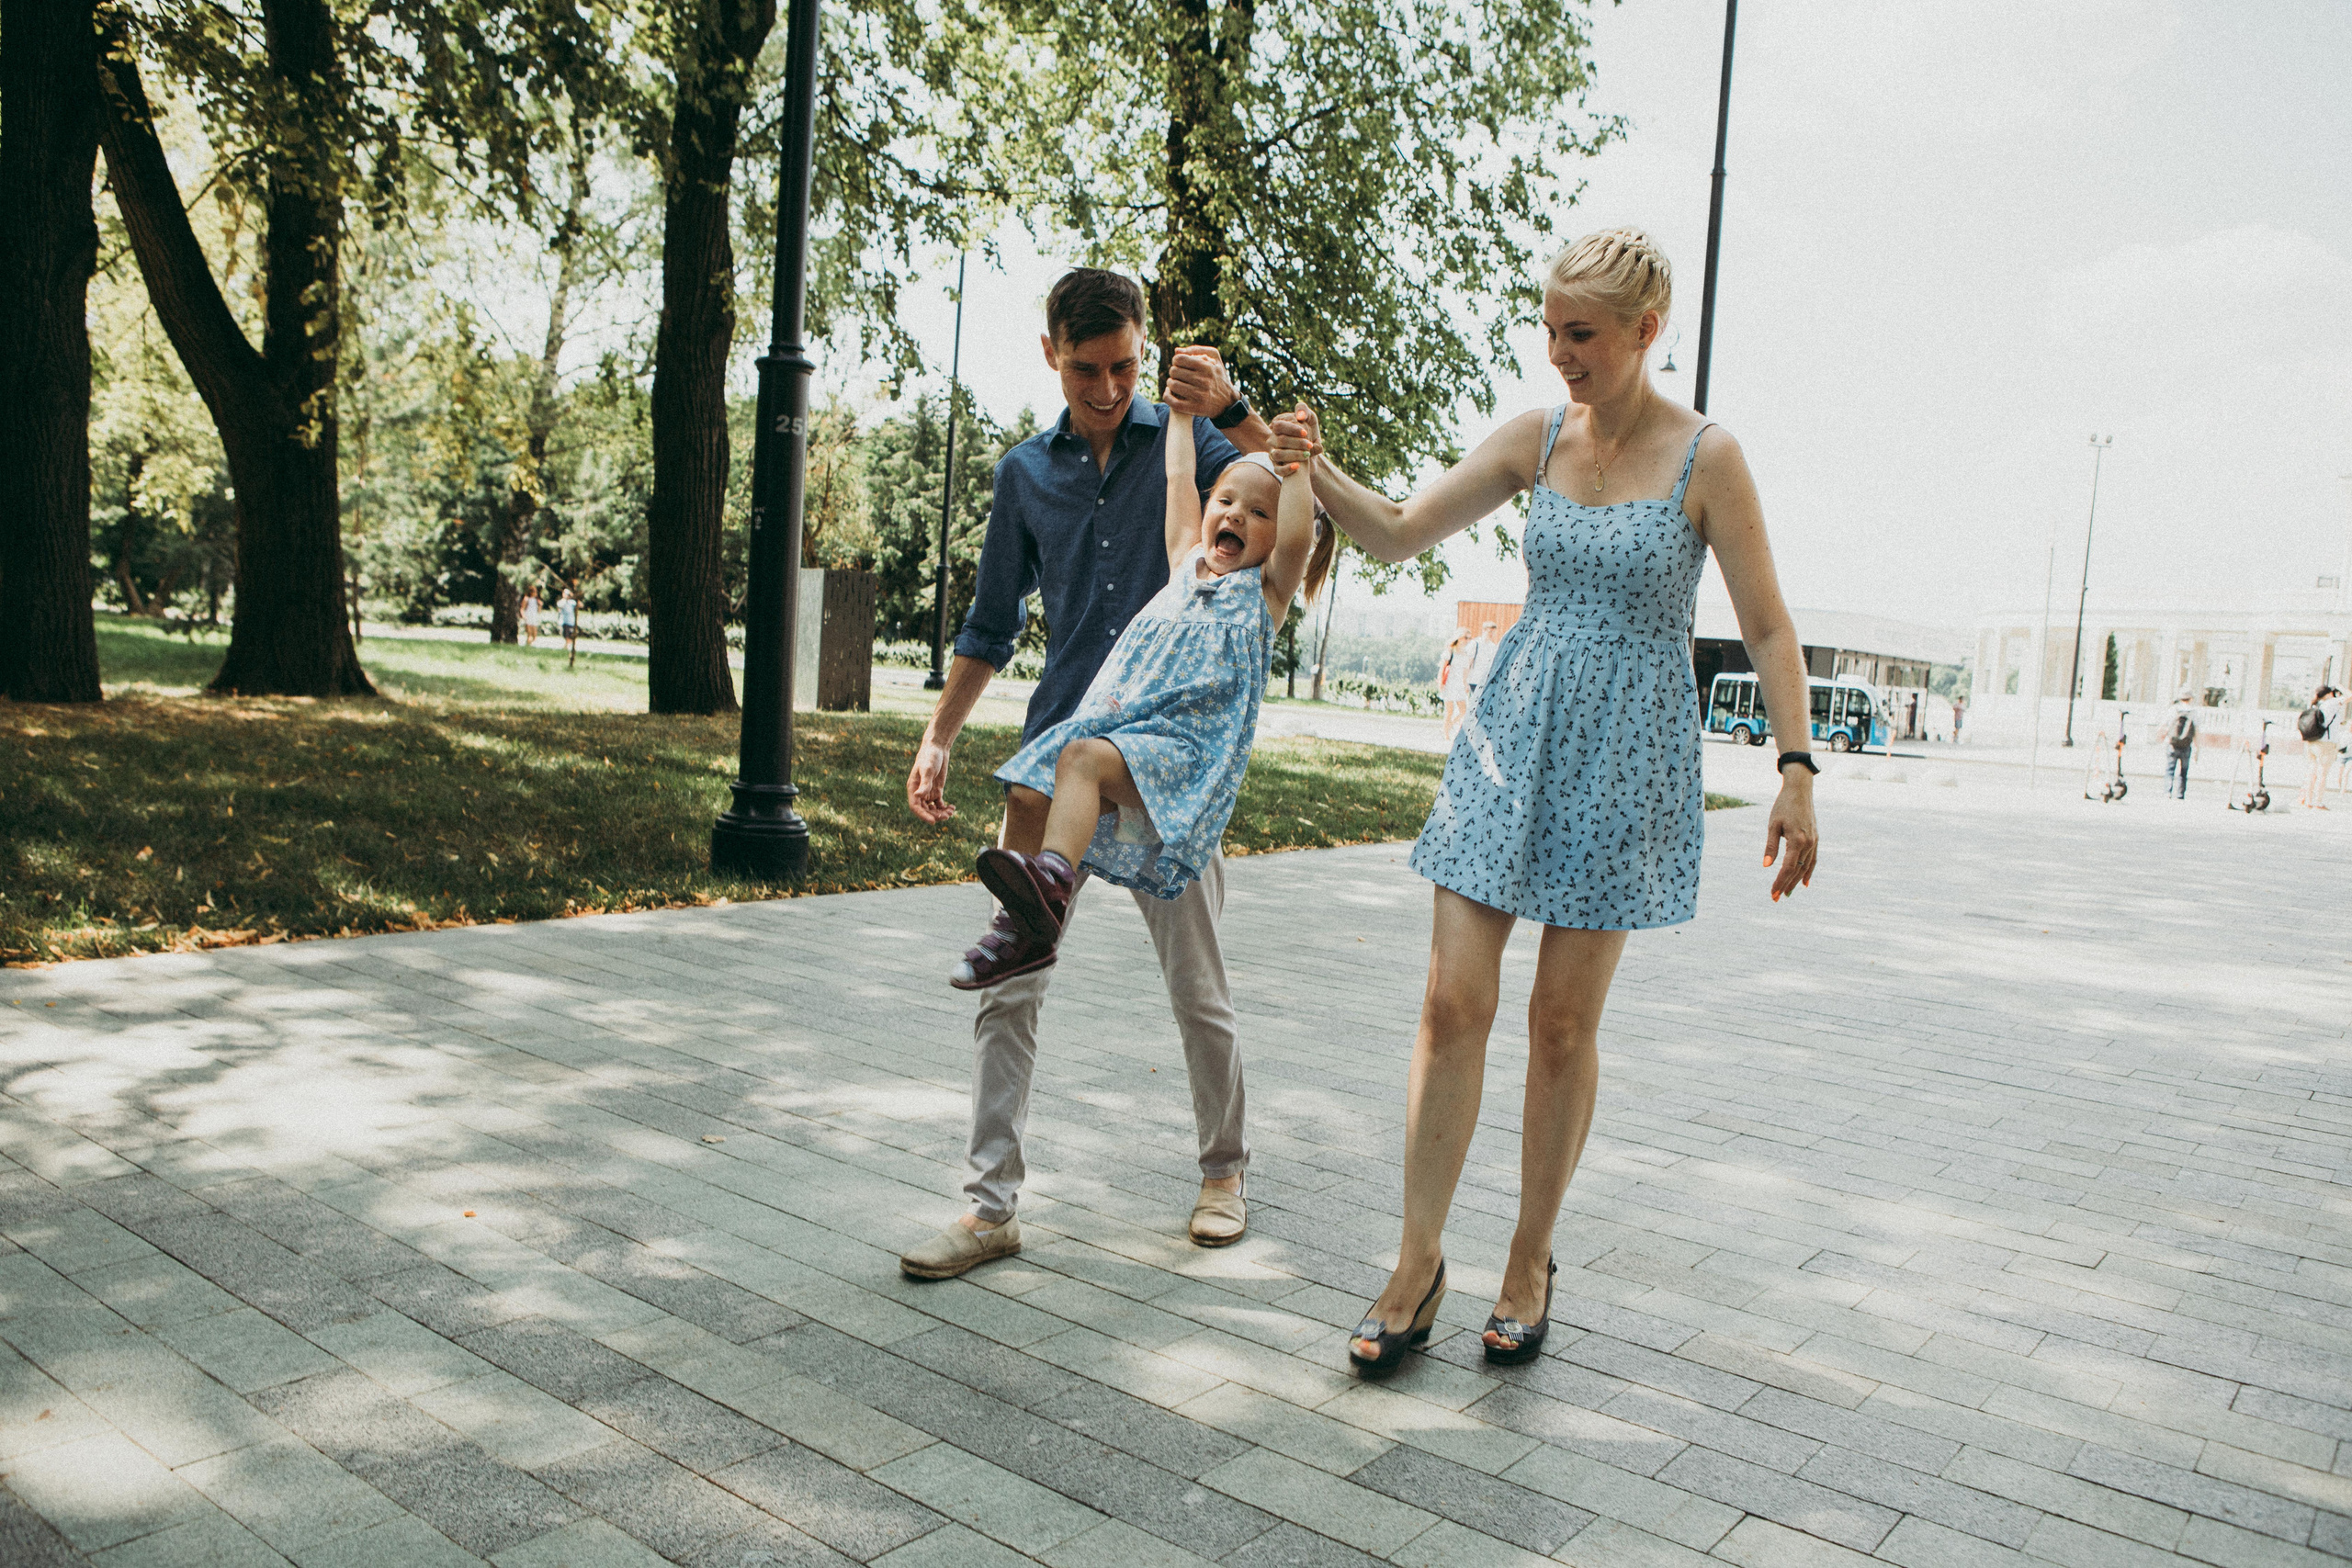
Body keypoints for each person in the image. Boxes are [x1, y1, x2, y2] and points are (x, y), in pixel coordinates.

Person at [1270, 226, 1819, 1372]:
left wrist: (1795, 769)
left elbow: (1766, 625)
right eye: (1550, 330)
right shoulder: (1533, 437)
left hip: (1627, 754)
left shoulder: (1704, 457)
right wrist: (1306, 467)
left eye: (1581, 335)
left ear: (1643, 332)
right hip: (1510, 734)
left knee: (1560, 1024)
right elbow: (1397, 530)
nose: (1558, 354)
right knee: (1448, 1004)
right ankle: (1416, 1262)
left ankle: (1529, 1258)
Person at [899, 267, 1282, 1280]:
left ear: (1143, 347)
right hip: (1057, 757)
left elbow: (1289, 488)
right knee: (1010, 981)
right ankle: (988, 1211)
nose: (1107, 390)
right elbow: (990, 622)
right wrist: (941, 730)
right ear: (1050, 355)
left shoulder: (1191, 444)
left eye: (1122, 368)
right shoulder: (1025, 473)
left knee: (1196, 986)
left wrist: (1229, 406)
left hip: (1165, 768)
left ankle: (1224, 1172)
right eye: (1085, 371)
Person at [959, 439, 1329, 981]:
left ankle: (1051, 886)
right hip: (1125, 729)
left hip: (1185, 749)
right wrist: (1179, 412)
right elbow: (1179, 477)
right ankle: (1022, 931)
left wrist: (1296, 463)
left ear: (1277, 537)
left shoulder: (1264, 595)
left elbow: (1299, 532)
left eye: (1258, 513)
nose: (1235, 516)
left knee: (1081, 759)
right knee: (1024, 788)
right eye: (1225, 501)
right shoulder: (1184, 564)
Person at [2296, 685, 2339, 809]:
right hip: (2325, 744)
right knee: (2322, 773)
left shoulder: (2316, 704)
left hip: (2312, 742)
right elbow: (2349, 696)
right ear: (2328, 693)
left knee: (2312, 772)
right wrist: (2340, 687)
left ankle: (2308, 800)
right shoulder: (2332, 702)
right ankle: (2318, 802)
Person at [2160, 693, 2197, 799]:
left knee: (2170, 769)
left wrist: (2162, 738)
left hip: (2173, 744)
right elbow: (2196, 731)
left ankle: (2167, 792)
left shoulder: (2173, 710)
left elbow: (2165, 726)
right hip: (2186, 745)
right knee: (2183, 771)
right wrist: (2197, 748)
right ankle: (2180, 794)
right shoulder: (2193, 712)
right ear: (2190, 699)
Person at [1438, 630, 1472, 739]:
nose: (1467, 641)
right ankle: (1446, 734)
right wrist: (1440, 682)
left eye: (1469, 638)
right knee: (1449, 710)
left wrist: (1466, 684)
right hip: (1449, 684)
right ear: (1459, 638)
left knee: (1463, 711)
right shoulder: (1450, 652)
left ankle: (1449, 726)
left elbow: (1466, 672)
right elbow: (1442, 668)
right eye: (1465, 638)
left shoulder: (1466, 654)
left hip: (1459, 685)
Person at [557, 581, 580, 670]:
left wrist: (574, 597)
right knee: (566, 635)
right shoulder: (562, 602)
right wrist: (566, 599)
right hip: (564, 621)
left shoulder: (572, 602)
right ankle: (566, 647)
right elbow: (560, 606)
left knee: (570, 636)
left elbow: (580, 605)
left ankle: (567, 647)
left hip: (571, 621)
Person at [520, 585, 542, 649]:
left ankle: (531, 644)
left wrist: (540, 606)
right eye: (534, 592)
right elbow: (522, 608)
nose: (536, 594)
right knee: (529, 633)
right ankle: (528, 645)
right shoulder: (526, 599)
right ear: (531, 592)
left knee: (535, 633)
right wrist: (523, 616)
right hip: (528, 616)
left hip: (534, 616)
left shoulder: (536, 600)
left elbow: (538, 611)